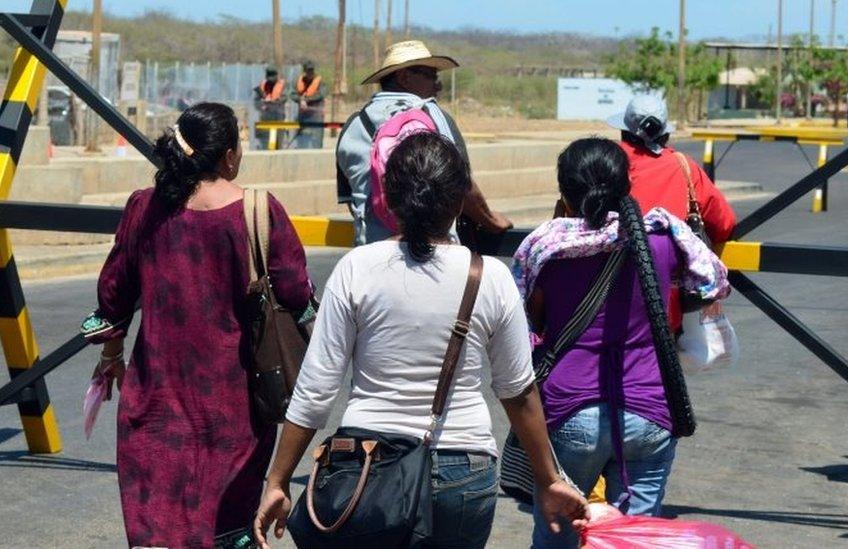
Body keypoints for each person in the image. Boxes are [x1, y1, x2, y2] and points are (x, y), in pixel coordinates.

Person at [254, 132, 588, 549]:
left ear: (388, 199)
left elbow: (316, 390)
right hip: (463, 470)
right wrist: (548, 480)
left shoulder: (357, 268)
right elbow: (518, 393)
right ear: (458, 201)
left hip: (365, 466)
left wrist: (278, 481)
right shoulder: (491, 277)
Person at [81, 103, 314, 548]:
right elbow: (298, 296)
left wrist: (111, 355)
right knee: (222, 530)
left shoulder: (143, 207)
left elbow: (113, 295)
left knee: (158, 531)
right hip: (234, 414)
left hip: (153, 408)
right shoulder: (258, 211)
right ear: (228, 155)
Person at [512, 138, 730, 548]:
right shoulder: (664, 238)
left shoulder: (545, 248)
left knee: (556, 538)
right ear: (626, 185)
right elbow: (712, 282)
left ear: (564, 191)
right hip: (650, 413)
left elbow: (530, 323)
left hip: (570, 411)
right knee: (636, 539)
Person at [336, 39, 513, 246]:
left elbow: (352, 202)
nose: (438, 85)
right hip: (434, 255)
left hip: (372, 255)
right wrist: (491, 221)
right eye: (431, 76)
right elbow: (461, 186)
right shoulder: (433, 115)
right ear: (404, 77)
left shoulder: (353, 124)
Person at [608, 95, 736, 331]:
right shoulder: (682, 165)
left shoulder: (605, 163)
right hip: (665, 310)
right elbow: (725, 222)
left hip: (604, 308)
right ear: (664, 133)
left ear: (624, 130)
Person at [289, 60, 327, 149]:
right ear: (304, 71)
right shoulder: (298, 81)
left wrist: (306, 100)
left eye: (311, 70)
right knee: (302, 139)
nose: (310, 73)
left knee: (316, 140)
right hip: (302, 115)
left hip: (316, 117)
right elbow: (292, 94)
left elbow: (321, 94)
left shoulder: (320, 81)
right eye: (308, 71)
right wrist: (300, 100)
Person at [253, 66, 287, 150]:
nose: (271, 80)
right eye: (269, 77)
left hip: (278, 117)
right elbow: (256, 101)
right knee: (265, 143)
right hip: (265, 118)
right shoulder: (262, 86)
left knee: (278, 143)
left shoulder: (282, 85)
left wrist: (274, 101)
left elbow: (285, 98)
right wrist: (262, 106)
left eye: (273, 77)